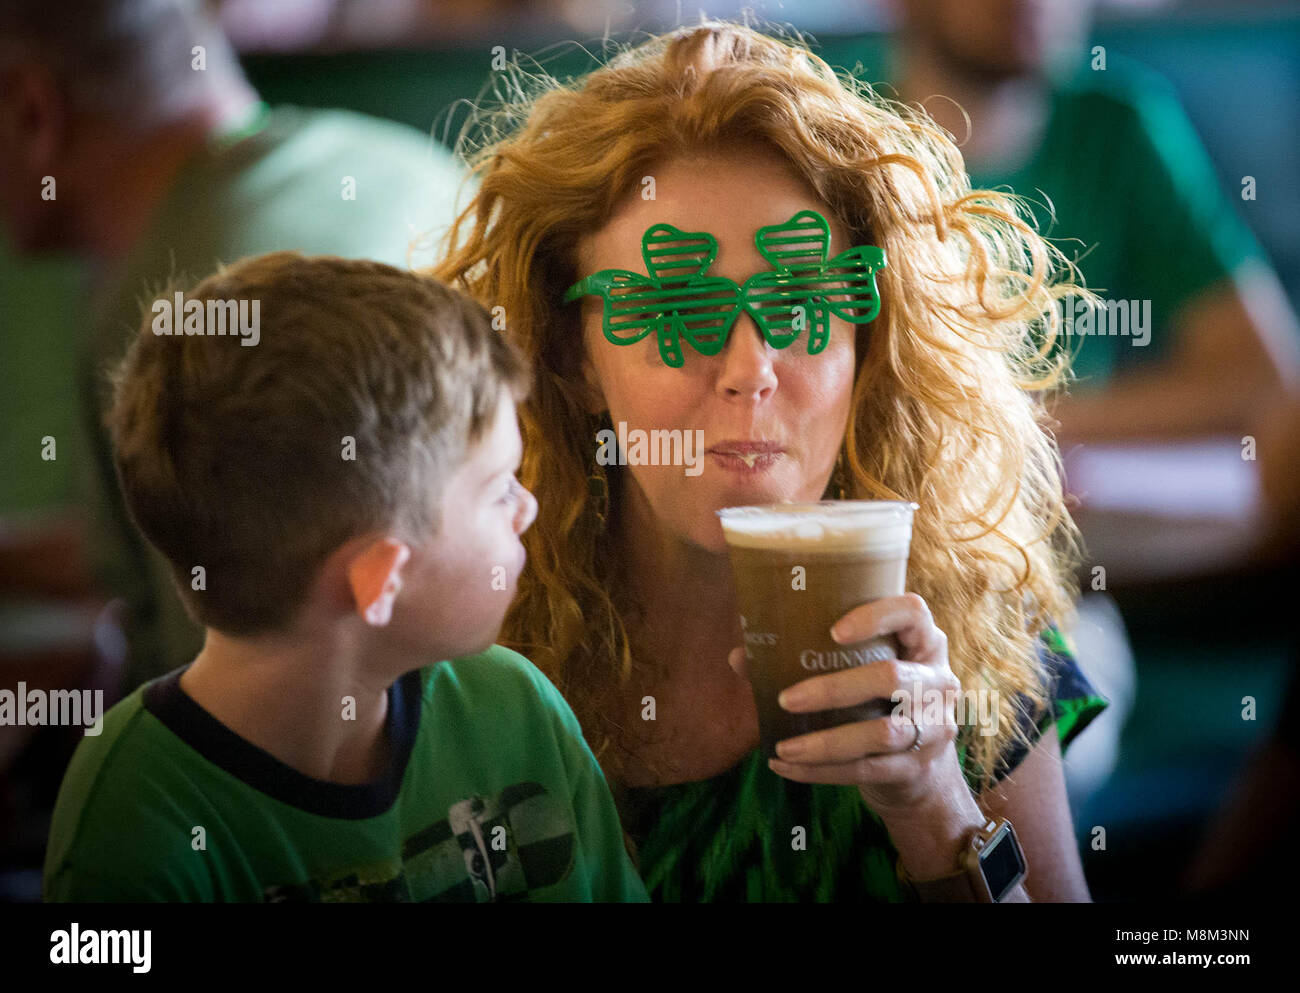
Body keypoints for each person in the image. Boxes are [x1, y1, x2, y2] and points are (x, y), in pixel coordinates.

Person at [431, 23, 1108, 901]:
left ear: (874, 339)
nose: (751, 369)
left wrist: (936, 803)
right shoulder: (461, 651)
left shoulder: (969, 631)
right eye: (676, 306)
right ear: (570, 357)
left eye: (804, 303)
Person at [44, 253, 648, 902]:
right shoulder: (137, 825)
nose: (526, 506)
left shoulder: (515, 710)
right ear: (380, 579)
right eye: (498, 488)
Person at [0, 0, 467, 689]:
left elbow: (236, 697)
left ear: (31, 111)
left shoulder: (167, 329)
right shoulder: (403, 163)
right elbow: (145, 545)